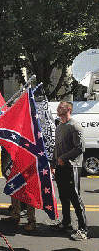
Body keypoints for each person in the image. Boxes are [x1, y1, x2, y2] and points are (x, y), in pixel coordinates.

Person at [50, 101, 88, 241]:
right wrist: (53, 164)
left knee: (75, 198)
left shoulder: (75, 126)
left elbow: (80, 148)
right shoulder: (59, 127)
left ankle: (83, 230)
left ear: (68, 109)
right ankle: (66, 223)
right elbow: (57, 147)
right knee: (63, 197)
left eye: (61, 107)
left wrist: (64, 158)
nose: (58, 109)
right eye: (58, 107)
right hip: (60, 167)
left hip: (73, 167)